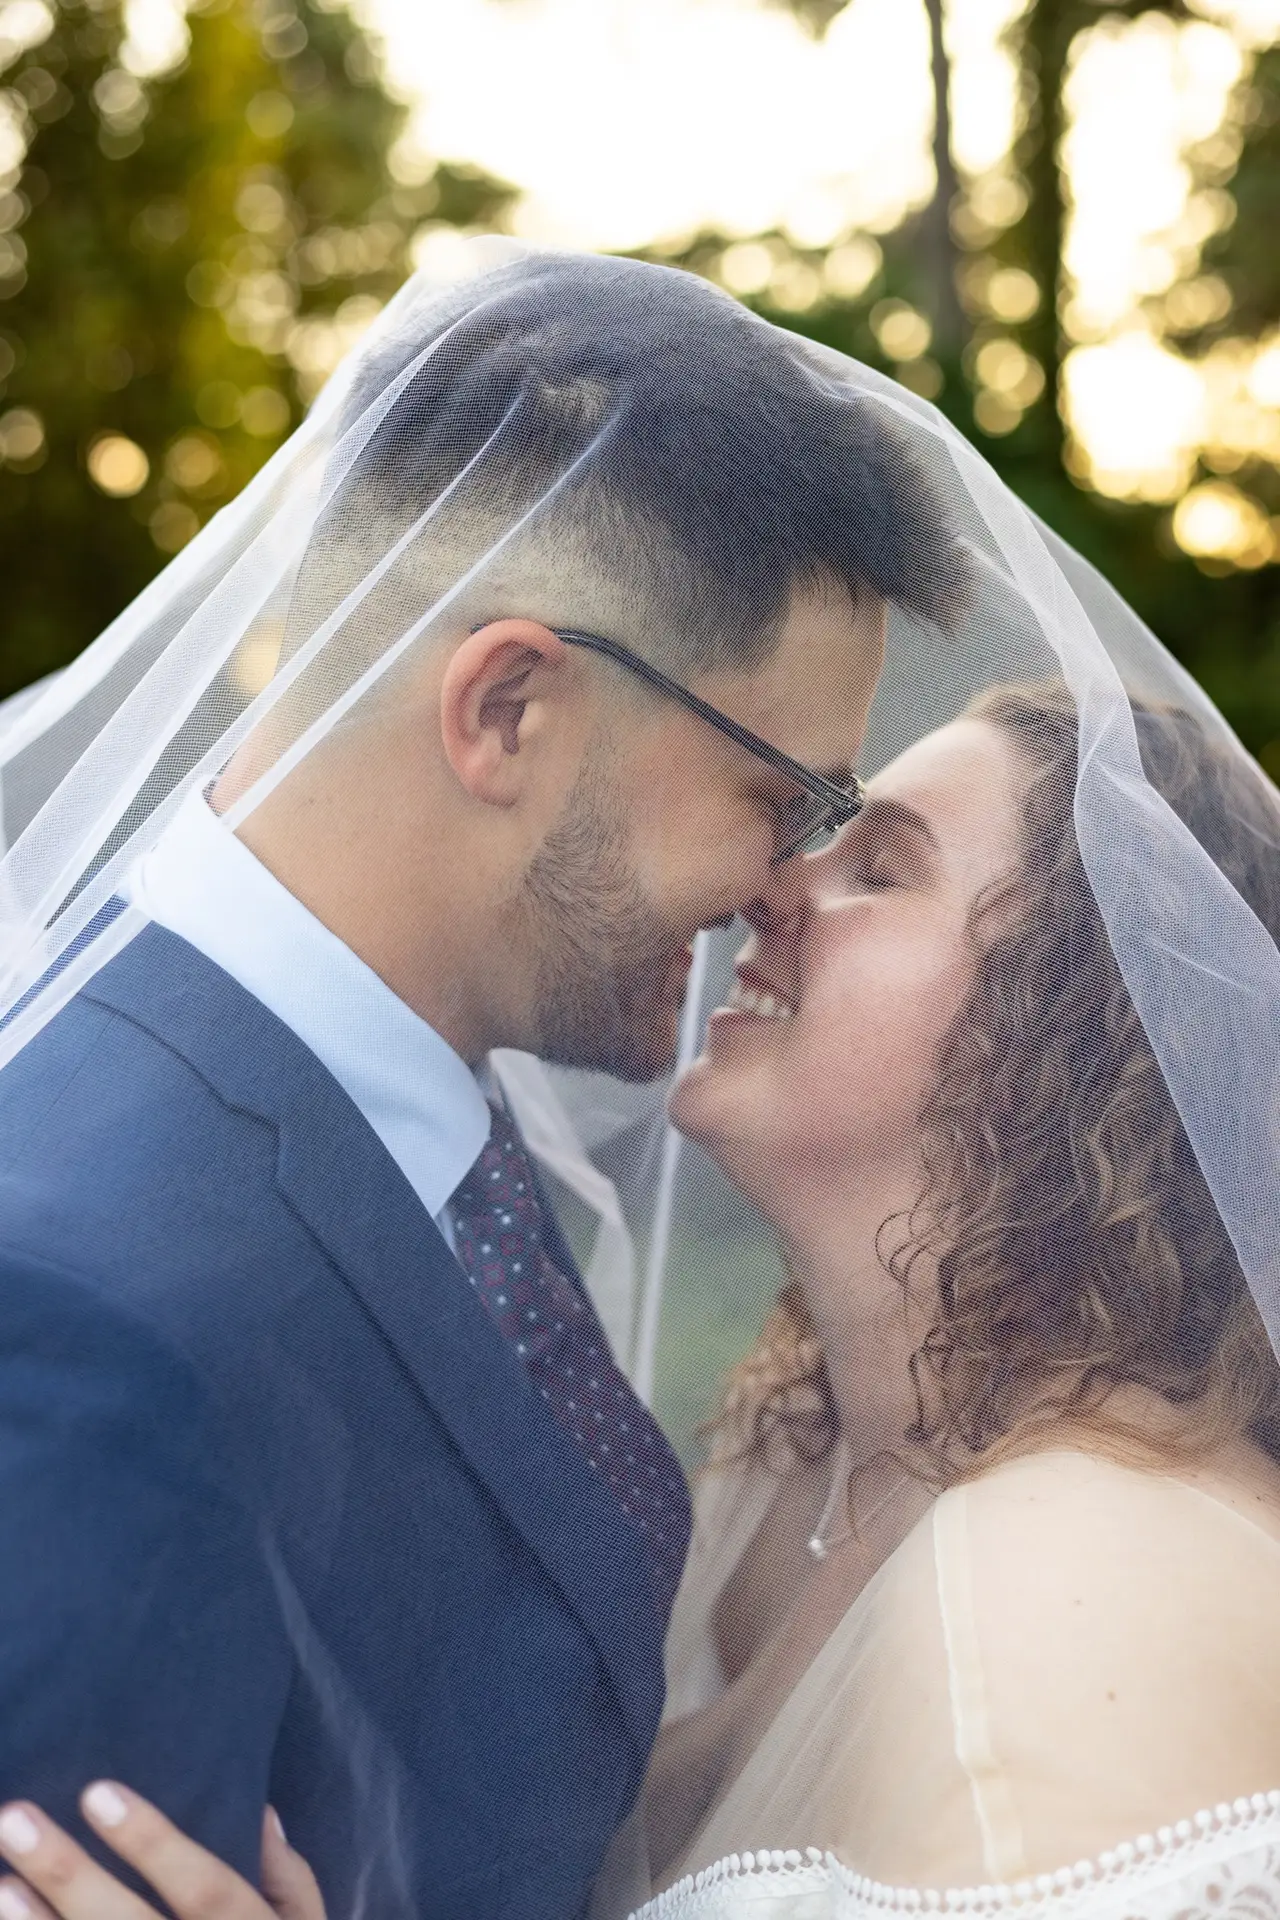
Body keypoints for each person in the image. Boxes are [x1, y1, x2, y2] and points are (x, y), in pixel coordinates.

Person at [0, 250, 964, 1920]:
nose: (779, 890)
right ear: (509, 706)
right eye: (779, 796)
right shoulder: (84, 1302)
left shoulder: (424, 1107)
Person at [6, 677, 1280, 1920]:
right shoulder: (803, 1446)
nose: (773, 886)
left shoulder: (1076, 1594)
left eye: (879, 869)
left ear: (1073, 1040)